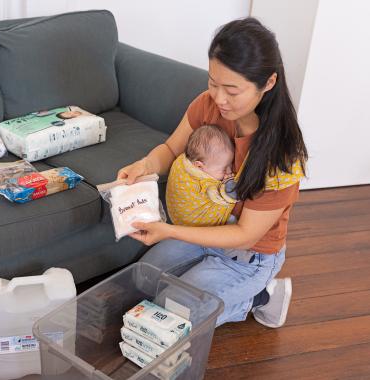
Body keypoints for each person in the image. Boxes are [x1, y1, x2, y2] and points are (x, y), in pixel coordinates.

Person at [117, 17, 308, 328]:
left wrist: (167, 230)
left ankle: (259, 296)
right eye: (213, 83)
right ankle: (240, 298)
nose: (219, 99)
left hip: (250, 256)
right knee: (140, 286)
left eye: (232, 90)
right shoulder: (208, 106)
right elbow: (170, 150)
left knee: (170, 312)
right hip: (203, 229)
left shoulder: (282, 156)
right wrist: (145, 166)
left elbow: (245, 236)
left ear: (268, 83)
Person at [166, 124, 237, 228]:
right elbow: (223, 196)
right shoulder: (204, 182)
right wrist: (228, 187)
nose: (229, 171)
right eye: (224, 168)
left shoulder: (184, 160)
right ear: (199, 166)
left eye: (230, 165)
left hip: (175, 220)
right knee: (231, 220)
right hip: (194, 222)